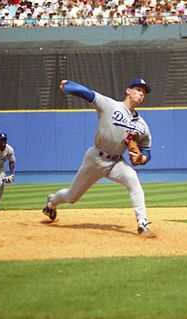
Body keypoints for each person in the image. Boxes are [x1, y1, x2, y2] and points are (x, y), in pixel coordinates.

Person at [42, 78, 156, 238]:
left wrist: (141, 159)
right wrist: (68, 86)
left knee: (132, 179)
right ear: (128, 91)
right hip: (95, 158)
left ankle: (142, 223)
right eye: (138, 89)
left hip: (116, 162)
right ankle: (52, 202)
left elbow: (146, 150)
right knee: (71, 197)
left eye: (143, 92)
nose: (141, 93)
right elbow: (88, 94)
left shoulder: (142, 125)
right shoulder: (110, 105)